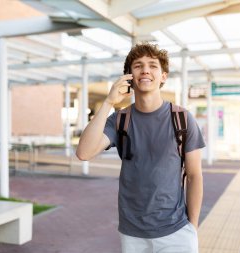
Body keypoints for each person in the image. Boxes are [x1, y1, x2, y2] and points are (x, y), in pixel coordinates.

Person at [76, 42, 205, 253]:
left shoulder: (182, 119)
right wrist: (109, 102)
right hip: (132, 234)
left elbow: (194, 176)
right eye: (138, 65)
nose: (145, 70)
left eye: (153, 65)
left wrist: (192, 227)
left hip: (177, 232)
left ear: (163, 76)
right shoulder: (119, 120)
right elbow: (84, 153)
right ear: (128, 76)